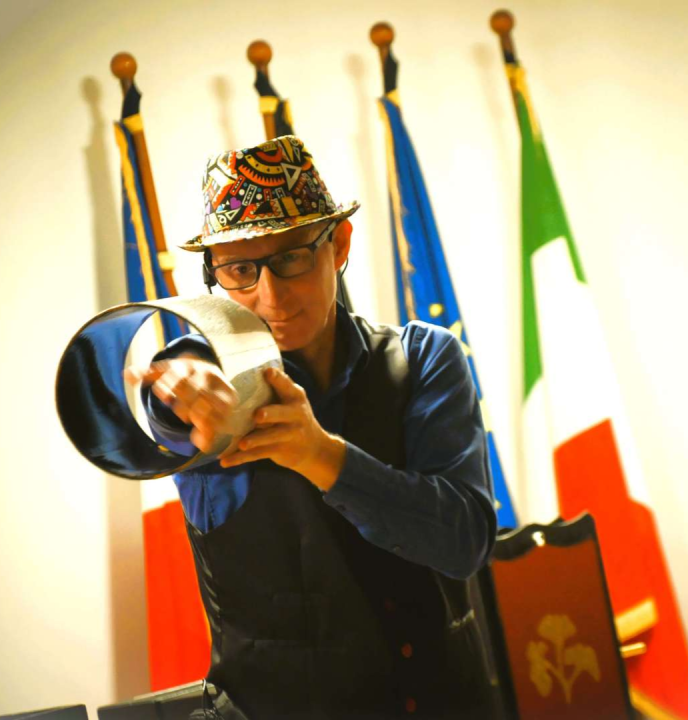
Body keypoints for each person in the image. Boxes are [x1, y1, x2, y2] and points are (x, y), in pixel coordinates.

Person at [129, 136, 498, 719]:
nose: (270, 295)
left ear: (339, 244)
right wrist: (174, 394)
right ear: (215, 273)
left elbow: (465, 542)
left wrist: (321, 455)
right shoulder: (204, 379)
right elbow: (170, 405)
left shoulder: (425, 359)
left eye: (291, 258)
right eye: (240, 270)